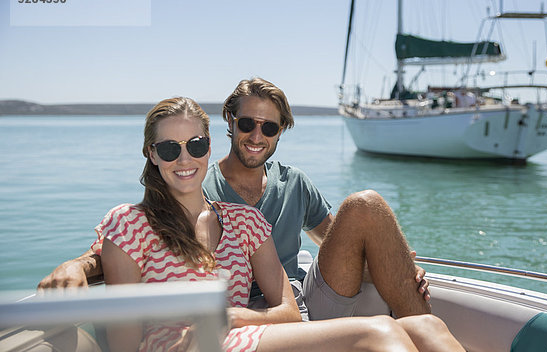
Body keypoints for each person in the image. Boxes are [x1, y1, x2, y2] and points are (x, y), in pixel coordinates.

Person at [39, 78, 430, 320]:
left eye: (270, 127)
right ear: (228, 123)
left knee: (365, 204)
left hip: (301, 301)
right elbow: (129, 238)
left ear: (280, 133)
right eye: (247, 123)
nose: (256, 135)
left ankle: (426, 326)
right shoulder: (194, 184)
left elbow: (337, 244)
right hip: (236, 312)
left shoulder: (294, 182)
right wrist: (78, 266)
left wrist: (396, 267)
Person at [96, 96, 464, 351]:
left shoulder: (244, 220)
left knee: (426, 327)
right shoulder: (129, 224)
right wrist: (80, 265)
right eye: (168, 149)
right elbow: (126, 343)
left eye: (194, 145)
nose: (184, 158)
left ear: (208, 146)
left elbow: (290, 309)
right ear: (151, 153)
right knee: (378, 332)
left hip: (246, 333)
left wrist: (231, 317)